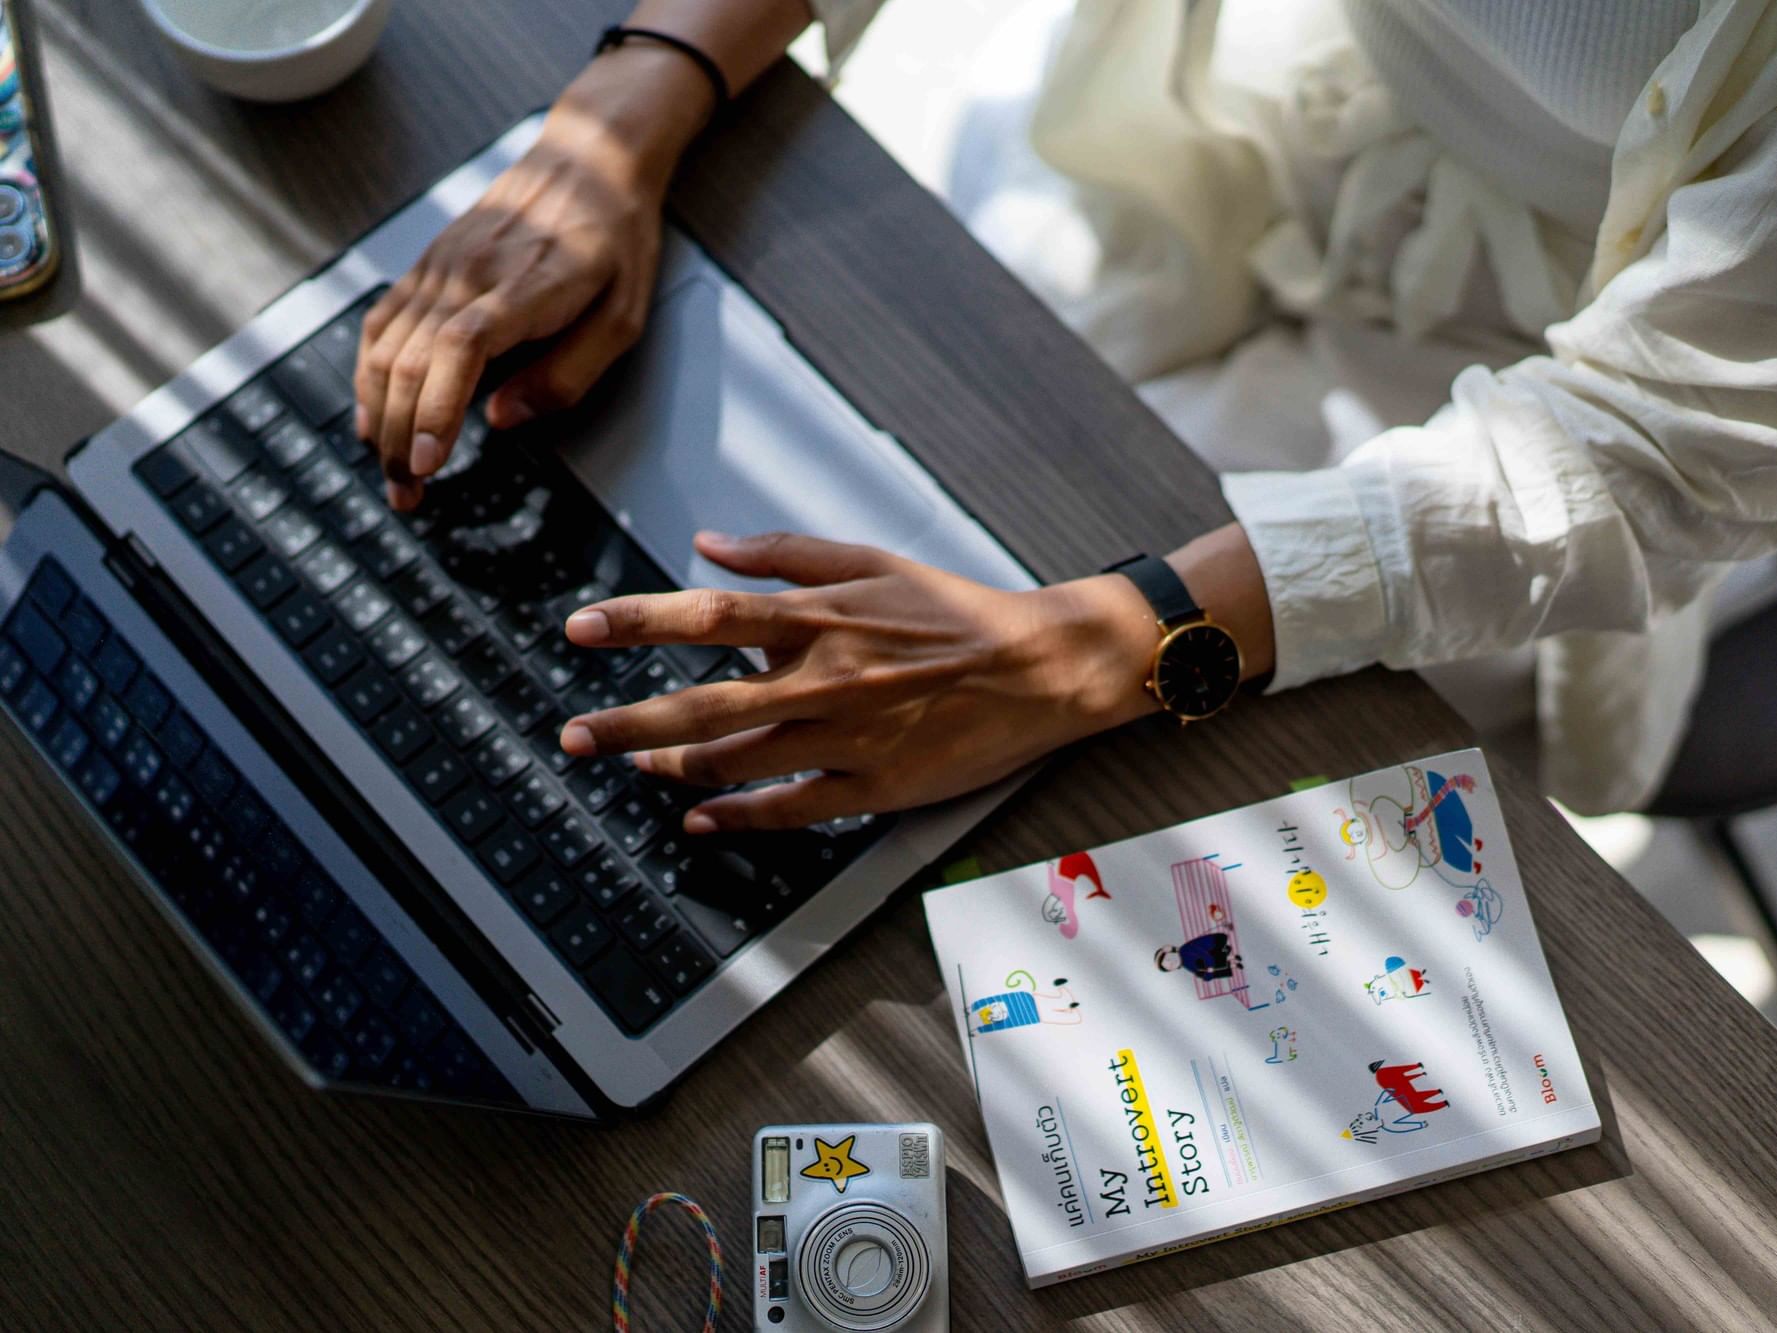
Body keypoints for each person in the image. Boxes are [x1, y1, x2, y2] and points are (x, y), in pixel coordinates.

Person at [352, 0, 1777, 834]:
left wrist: (1097, 648)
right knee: (873, 454)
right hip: (1210, 121)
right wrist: (627, 106)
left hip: (1583, 360)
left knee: (1116, 781)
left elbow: (1643, 444)